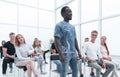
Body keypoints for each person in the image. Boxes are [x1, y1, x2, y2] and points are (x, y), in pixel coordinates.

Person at [54, 6, 82, 77]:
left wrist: (78, 51)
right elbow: (56, 40)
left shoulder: (72, 27)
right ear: (63, 14)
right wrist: (60, 54)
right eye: (69, 12)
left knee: (75, 70)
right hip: (65, 53)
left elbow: (75, 39)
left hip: (73, 53)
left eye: (71, 12)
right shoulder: (59, 25)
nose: (71, 13)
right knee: (64, 71)